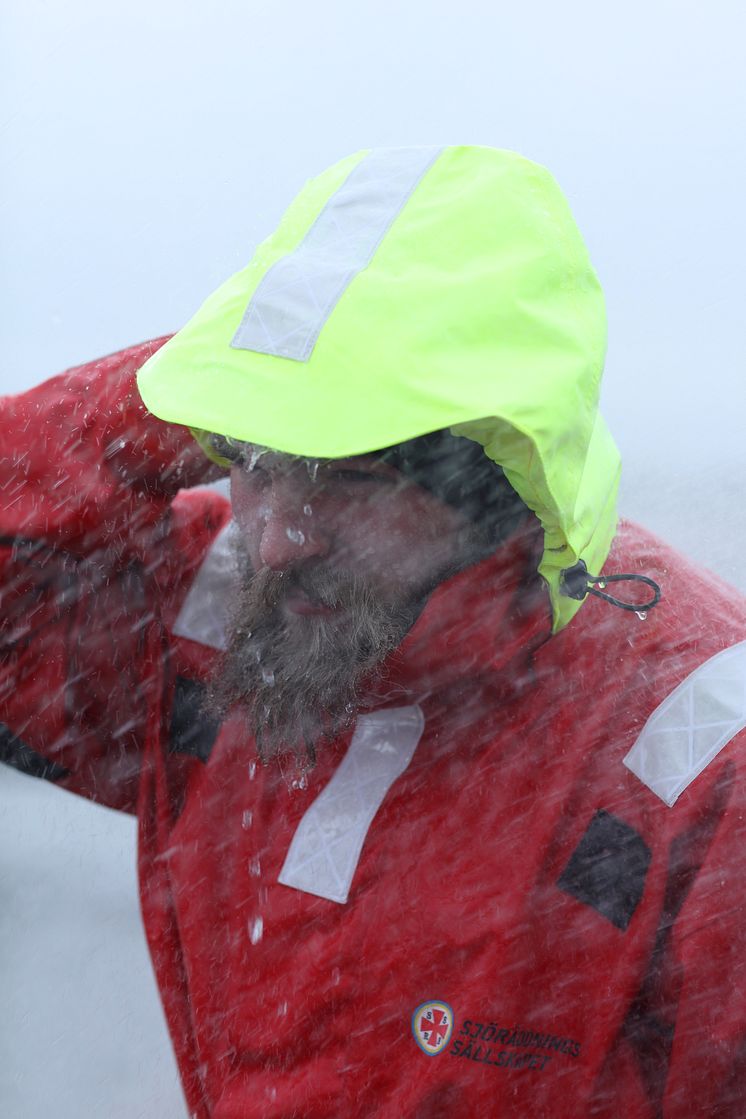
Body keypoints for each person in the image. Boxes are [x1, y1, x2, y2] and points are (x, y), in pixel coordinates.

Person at [2, 145, 745, 1119]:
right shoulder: (221, 612)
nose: (274, 538)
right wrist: (214, 378)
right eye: (256, 463)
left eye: (347, 480)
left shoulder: (696, 749)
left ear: (500, 481)